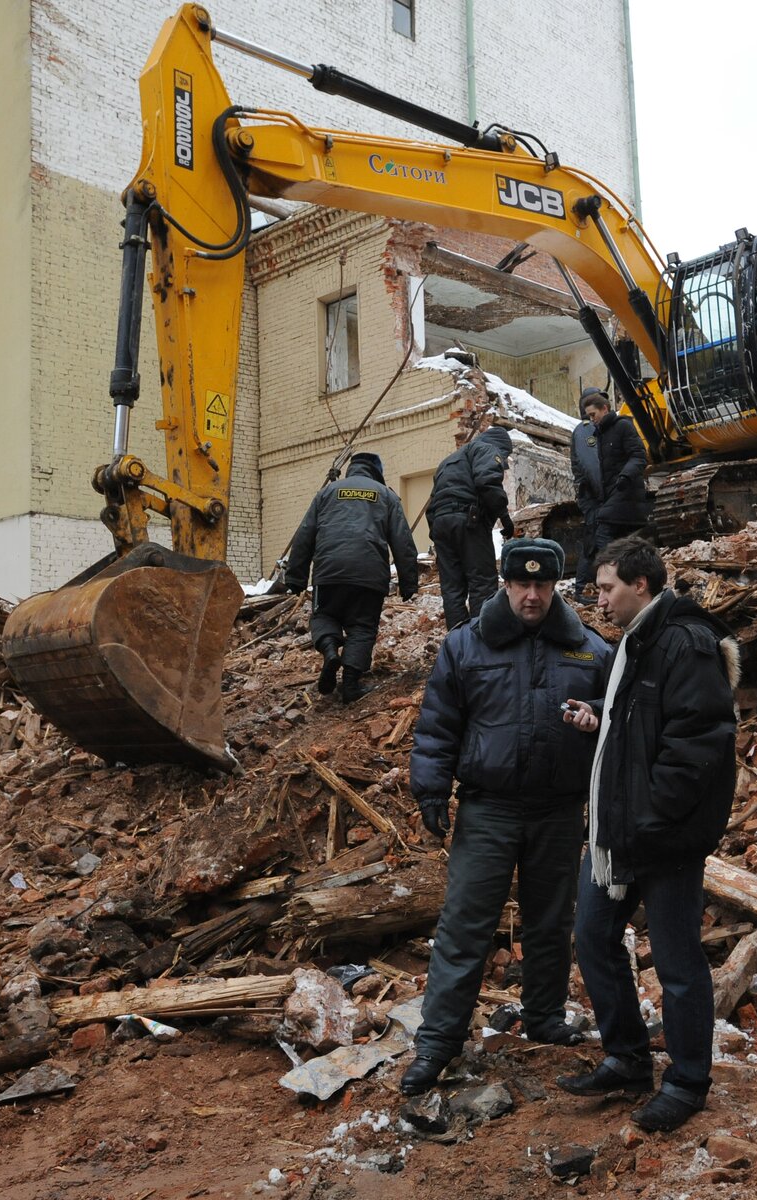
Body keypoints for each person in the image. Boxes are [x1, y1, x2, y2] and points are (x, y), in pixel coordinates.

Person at [401, 537, 614, 1095]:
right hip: (488, 809)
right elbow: (438, 725)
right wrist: (430, 789)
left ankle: (543, 1018)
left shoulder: (591, 651)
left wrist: (596, 726)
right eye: (523, 583)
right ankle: (437, 1043)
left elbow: (620, 728)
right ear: (506, 583)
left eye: (543, 585)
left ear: (557, 586)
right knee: (465, 926)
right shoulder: (466, 647)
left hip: (559, 810)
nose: (532, 595)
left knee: (550, 922)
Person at [556, 536, 739, 1133]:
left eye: (607, 588)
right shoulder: (635, 645)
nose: (600, 601)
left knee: (678, 962)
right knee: (593, 936)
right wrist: (596, 725)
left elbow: (698, 746)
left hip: (661, 838)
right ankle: (628, 1057)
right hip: (618, 834)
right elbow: (638, 736)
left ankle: (687, 1082)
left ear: (641, 584)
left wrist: (652, 818)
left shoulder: (685, 643)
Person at [285, 452, 419, 703]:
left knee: (324, 615)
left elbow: (304, 534)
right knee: (363, 627)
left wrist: (296, 577)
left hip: (328, 573)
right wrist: (408, 582)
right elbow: (403, 541)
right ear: (377, 472)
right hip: (369, 576)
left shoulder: (327, 492)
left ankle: (329, 651)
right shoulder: (386, 495)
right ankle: (350, 684)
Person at [426, 425, 515, 630]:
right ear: (501, 446)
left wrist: (438, 533)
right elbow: (487, 482)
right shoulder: (486, 449)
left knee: (452, 588)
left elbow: (432, 504)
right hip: (468, 520)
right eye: (505, 455)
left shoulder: (448, 462)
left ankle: (458, 641)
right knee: (482, 581)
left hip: (441, 524)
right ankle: (482, 638)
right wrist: (504, 516)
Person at [580, 388, 651, 554]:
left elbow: (640, 456)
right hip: (614, 494)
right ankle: (625, 573)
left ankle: (613, 573)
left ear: (604, 409)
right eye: (589, 416)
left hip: (626, 491)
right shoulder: (601, 434)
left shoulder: (623, 426)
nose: (592, 420)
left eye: (593, 415)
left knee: (603, 535)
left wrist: (625, 476)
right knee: (622, 542)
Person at [570, 390, 603, 604]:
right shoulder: (585, 430)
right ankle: (582, 588)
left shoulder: (595, 428)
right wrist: (604, 494)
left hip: (596, 493)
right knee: (593, 539)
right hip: (593, 495)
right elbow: (593, 466)